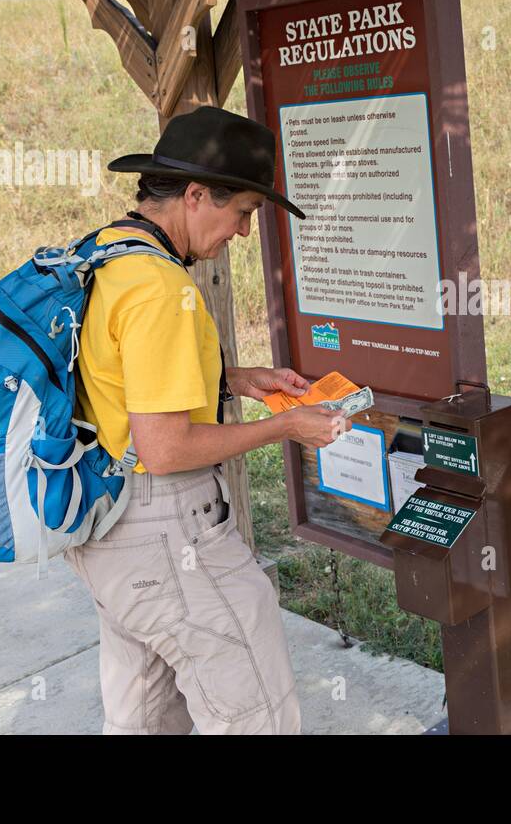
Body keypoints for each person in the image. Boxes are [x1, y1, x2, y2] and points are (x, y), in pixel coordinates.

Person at [63, 105, 349, 734]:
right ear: (195, 195)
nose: (244, 233)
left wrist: (239, 380)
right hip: (168, 533)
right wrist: (286, 427)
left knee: (144, 720)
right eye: (242, 212)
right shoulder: (164, 289)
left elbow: (117, 377)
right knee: (258, 718)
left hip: (109, 532)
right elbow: (164, 448)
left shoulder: (108, 254)